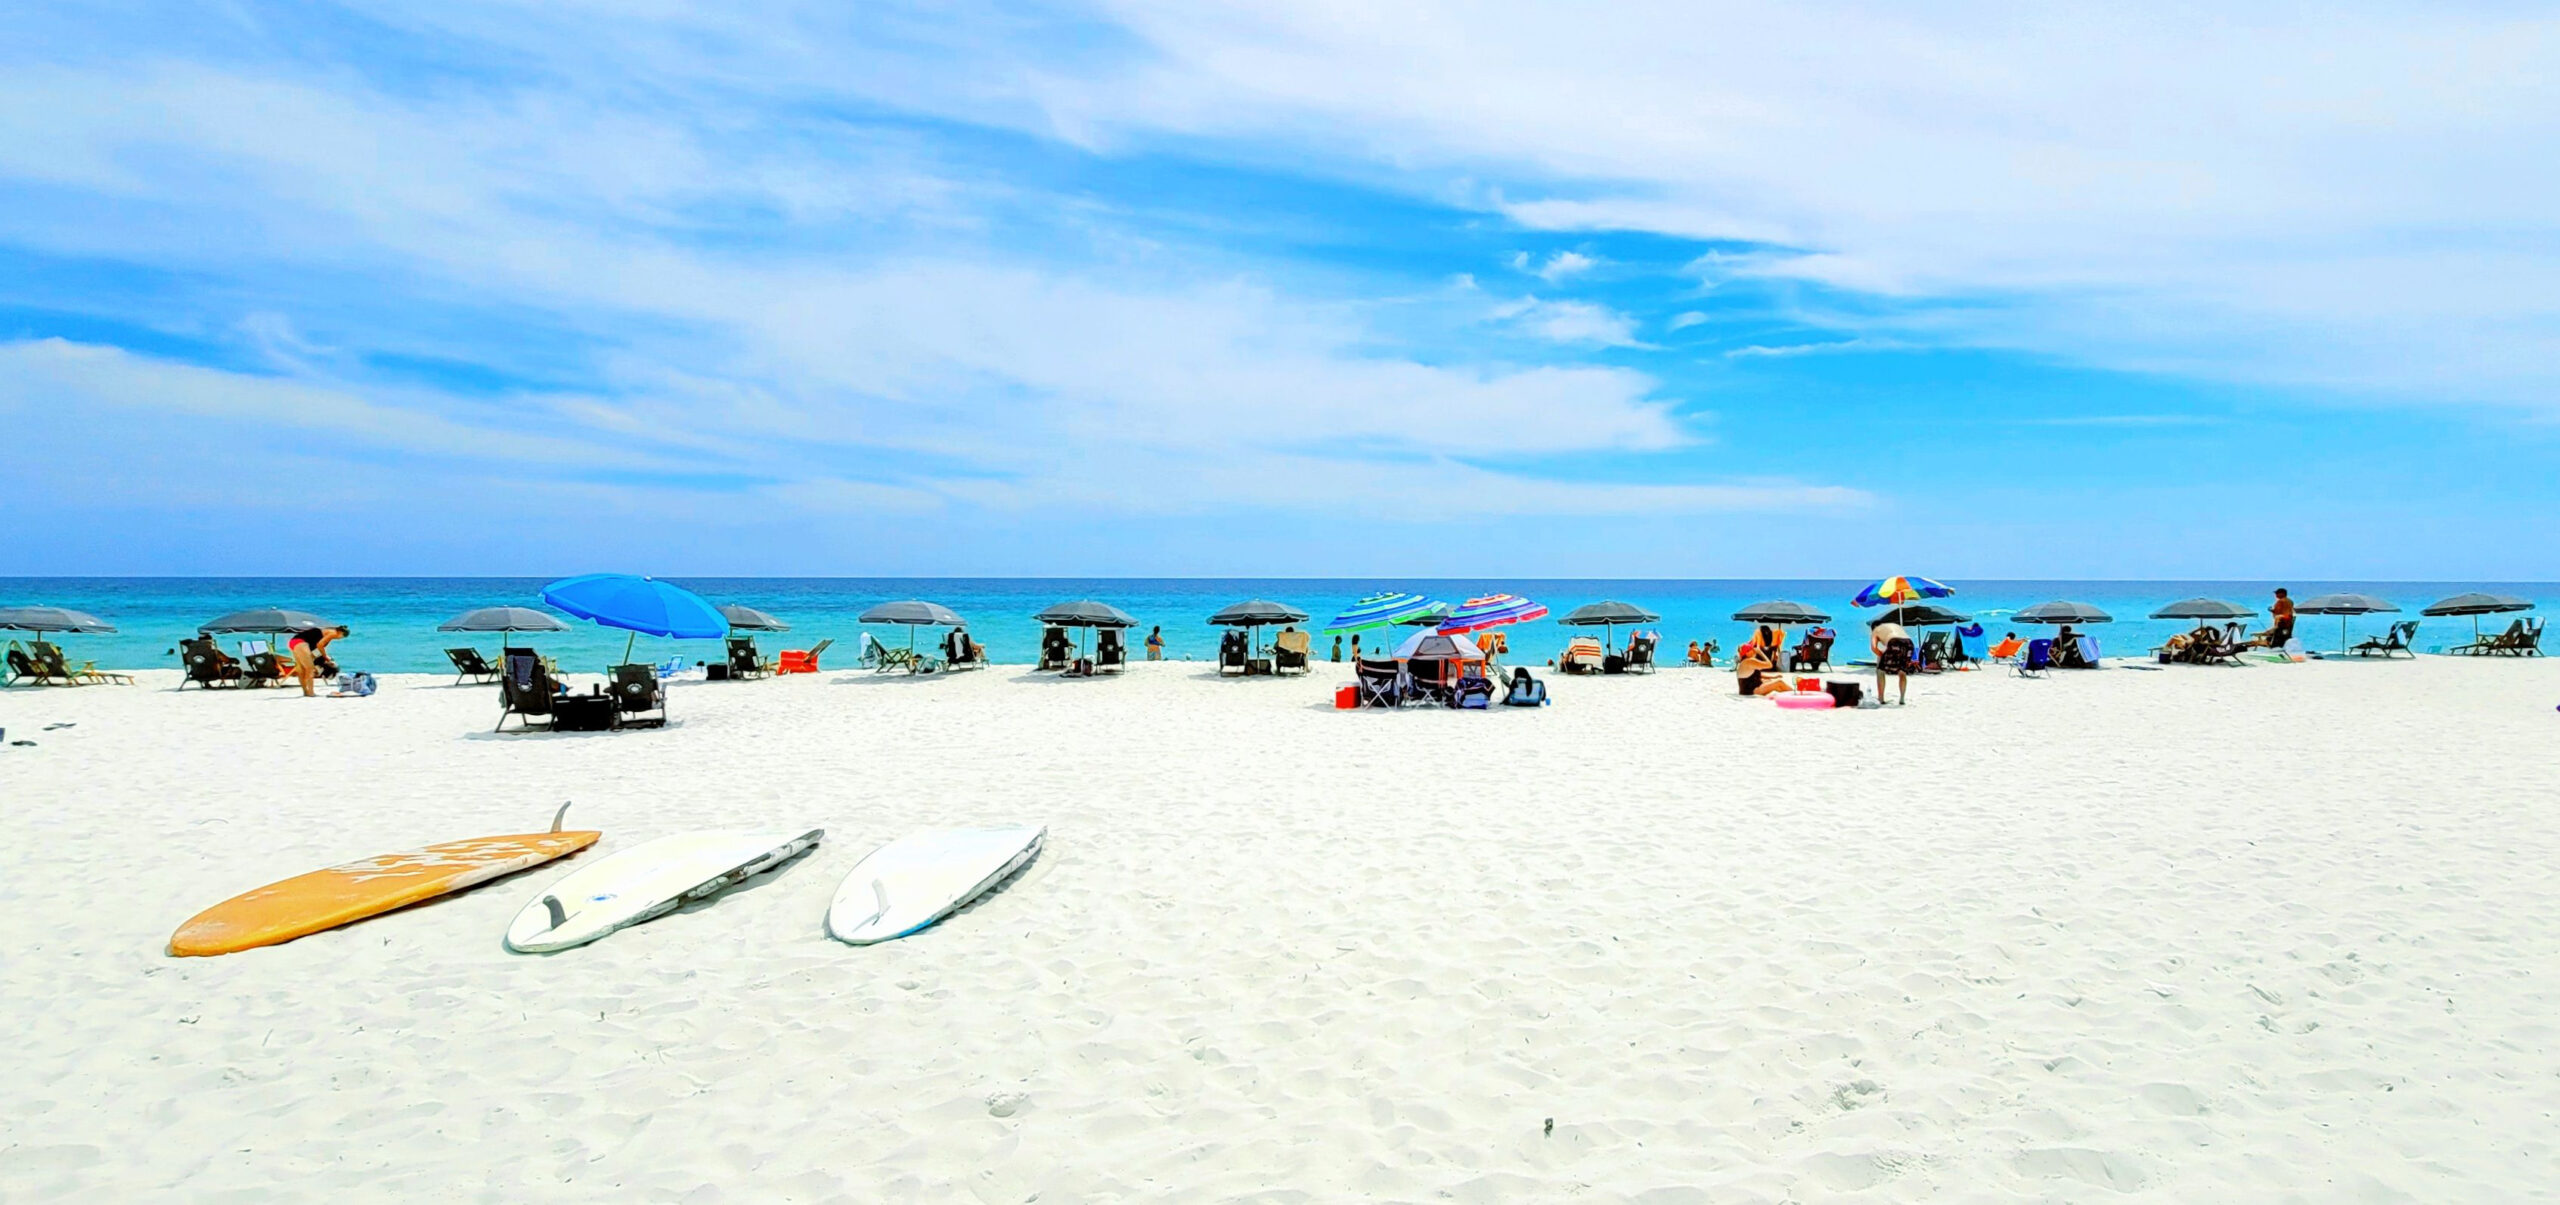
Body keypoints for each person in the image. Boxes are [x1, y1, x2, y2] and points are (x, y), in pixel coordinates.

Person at [287, 624, 349, 698]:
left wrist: (322, 658)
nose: (341, 638)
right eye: (343, 636)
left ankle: (306, 692)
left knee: (302, 669)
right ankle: (311, 692)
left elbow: (316, 649)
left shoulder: (326, 632)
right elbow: (320, 645)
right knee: (310, 669)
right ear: (340, 632)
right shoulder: (332, 633)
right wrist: (325, 657)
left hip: (294, 642)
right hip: (301, 643)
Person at [1871, 619, 1912, 705]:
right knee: (1902, 671)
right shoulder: (1894, 625)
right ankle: (1902, 699)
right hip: (1909, 643)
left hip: (1893, 641)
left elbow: (1874, 648)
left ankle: (1881, 698)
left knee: (1880, 671)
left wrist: (1881, 655)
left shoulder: (1875, 630)